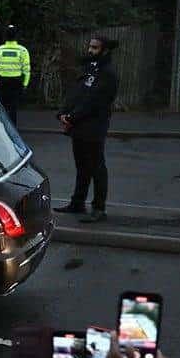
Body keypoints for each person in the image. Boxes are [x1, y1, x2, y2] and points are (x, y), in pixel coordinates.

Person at [57, 37, 118, 224]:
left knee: (97, 167)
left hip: (94, 126)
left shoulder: (107, 73)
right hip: (80, 126)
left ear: (105, 50)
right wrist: (64, 112)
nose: (90, 50)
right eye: (90, 47)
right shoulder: (90, 68)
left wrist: (72, 117)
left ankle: (99, 208)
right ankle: (78, 202)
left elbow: (94, 101)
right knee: (82, 166)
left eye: (95, 48)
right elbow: (78, 93)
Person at [0, 25, 32, 126]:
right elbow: (26, 69)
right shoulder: (22, 51)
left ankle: (1, 127)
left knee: (2, 106)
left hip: (1, 82)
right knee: (13, 107)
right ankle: (12, 128)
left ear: (5, 36)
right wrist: (25, 84)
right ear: (16, 36)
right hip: (16, 82)